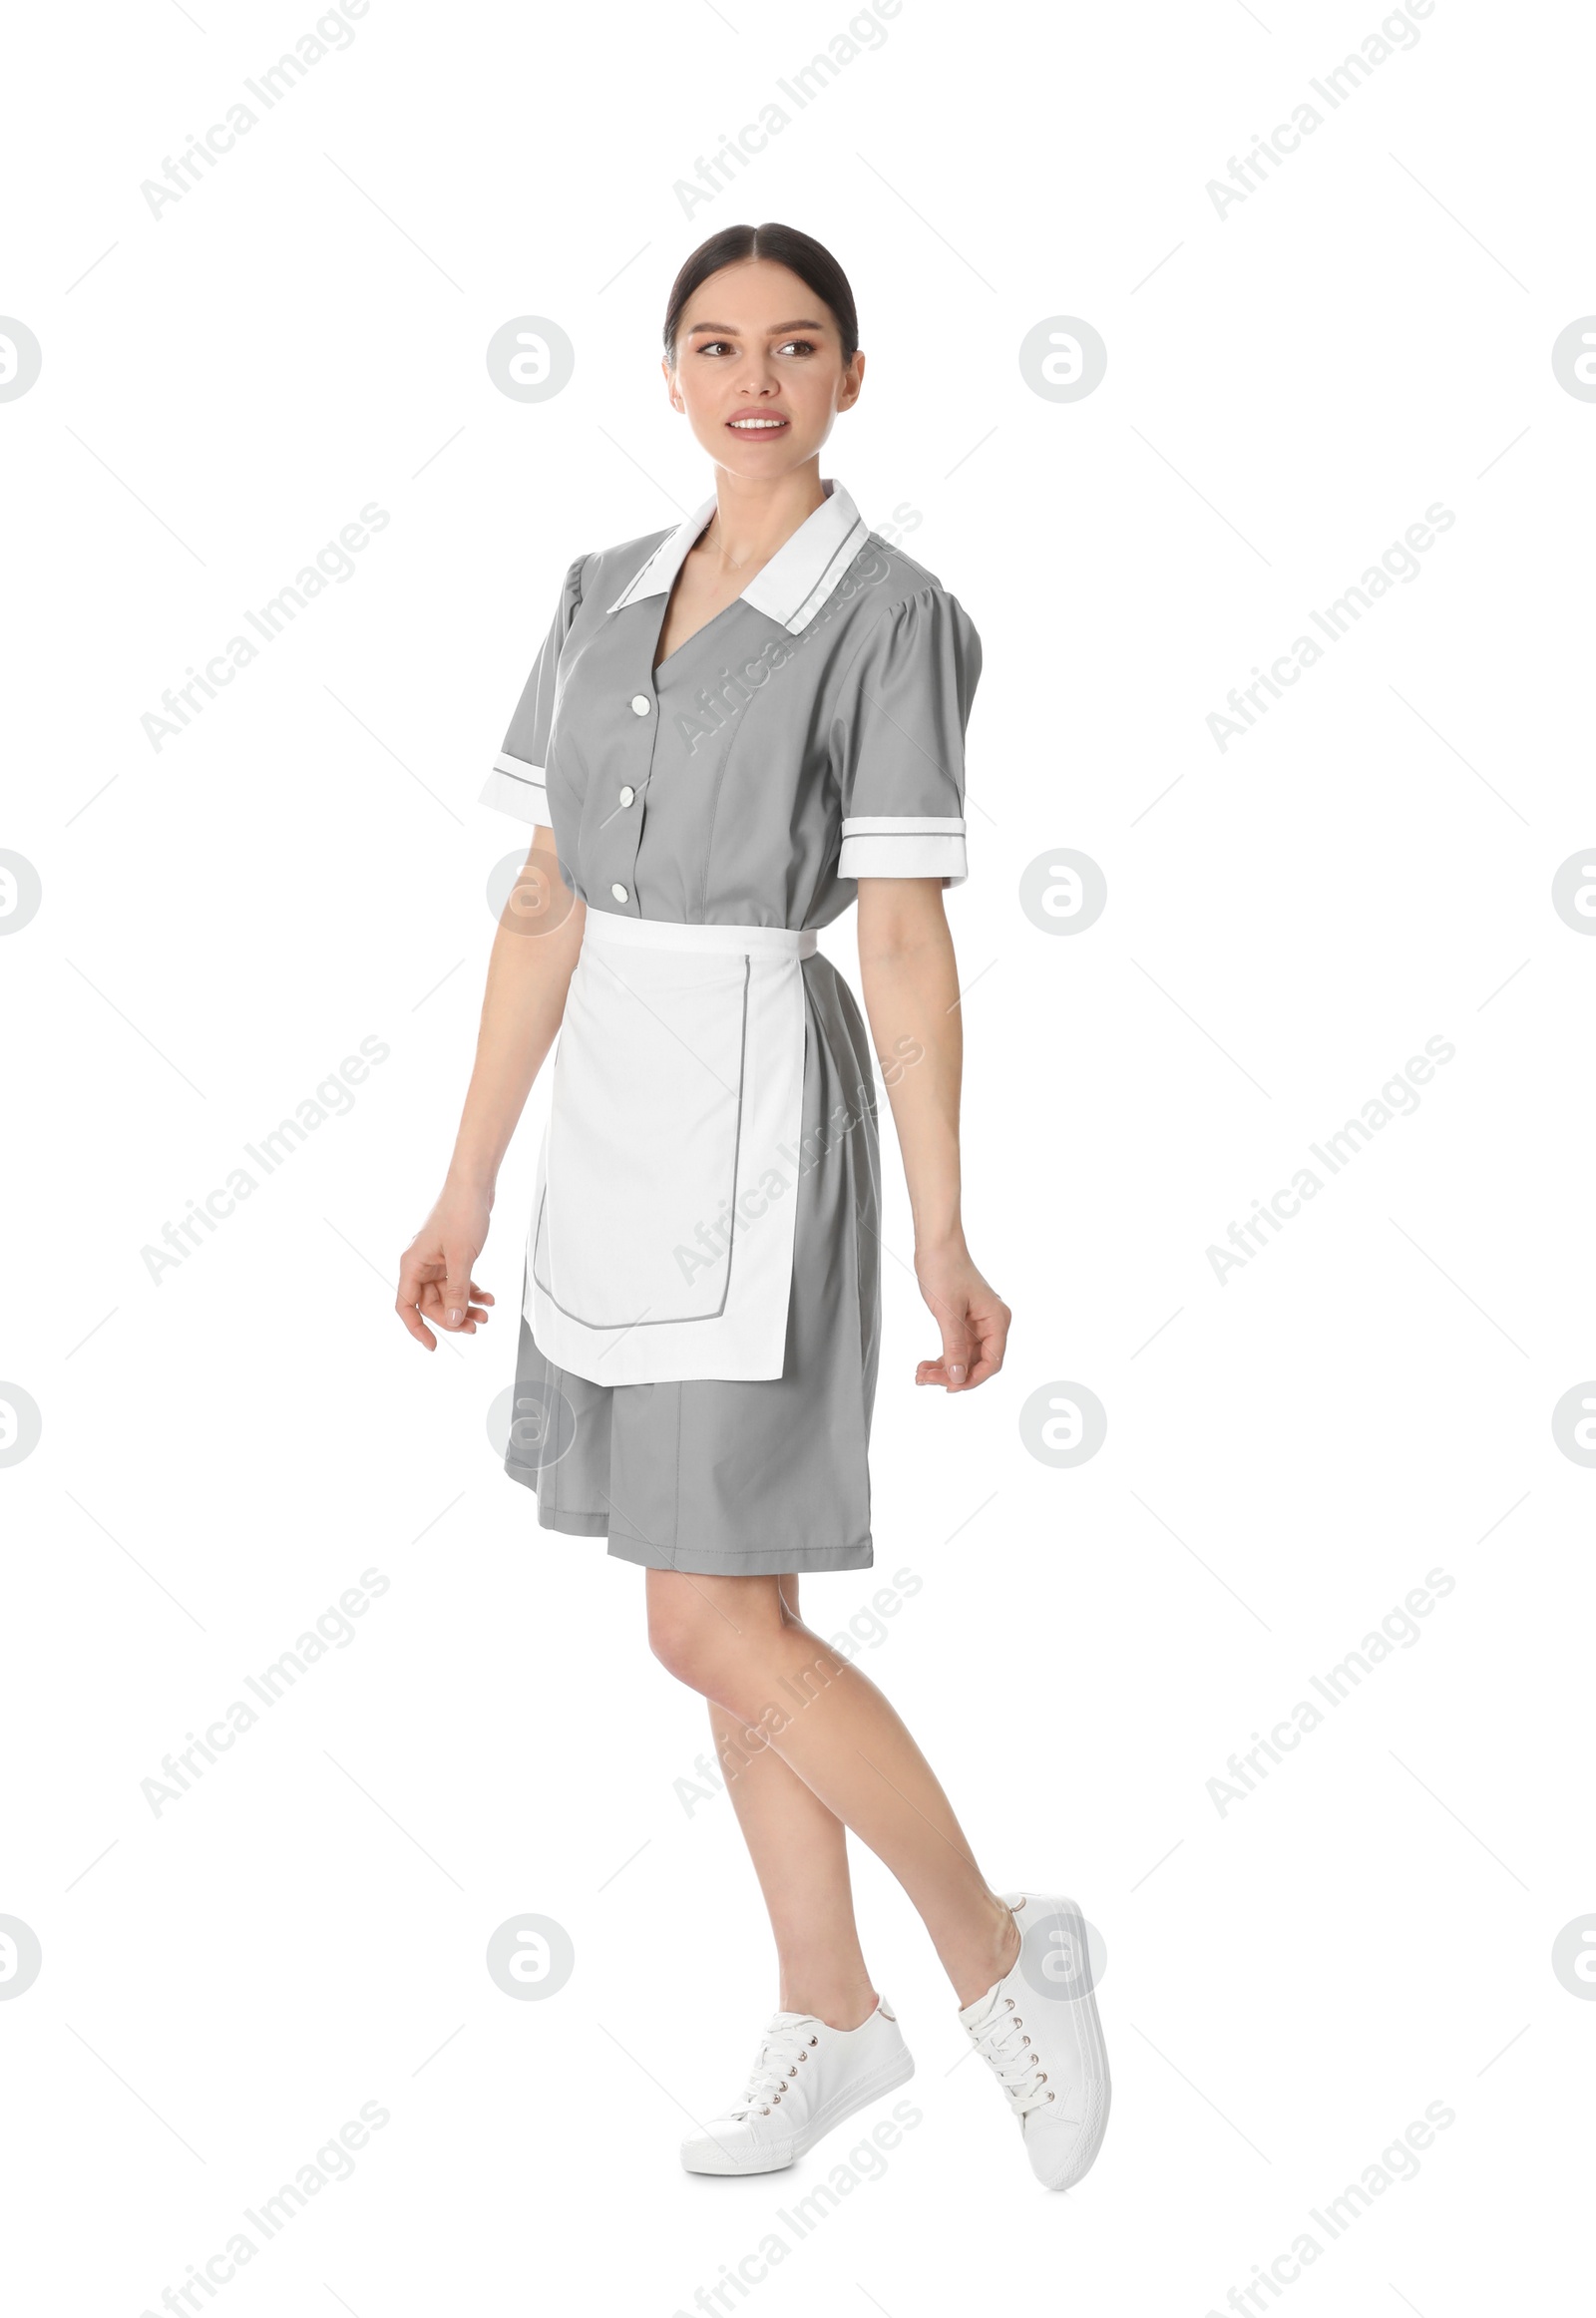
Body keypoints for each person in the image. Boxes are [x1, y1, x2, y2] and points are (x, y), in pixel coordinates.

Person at [396, 220, 1109, 2191]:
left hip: (756, 1116)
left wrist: (946, 1228)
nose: (754, 380)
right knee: (716, 1613)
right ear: (668, 372)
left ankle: (990, 1957)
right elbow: (541, 901)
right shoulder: (595, 590)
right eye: (713, 344)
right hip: (609, 1112)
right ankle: (829, 2008)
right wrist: (460, 1180)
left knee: (712, 1619)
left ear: (852, 379)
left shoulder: (893, 616)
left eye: (797, 346)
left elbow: (899, 933)